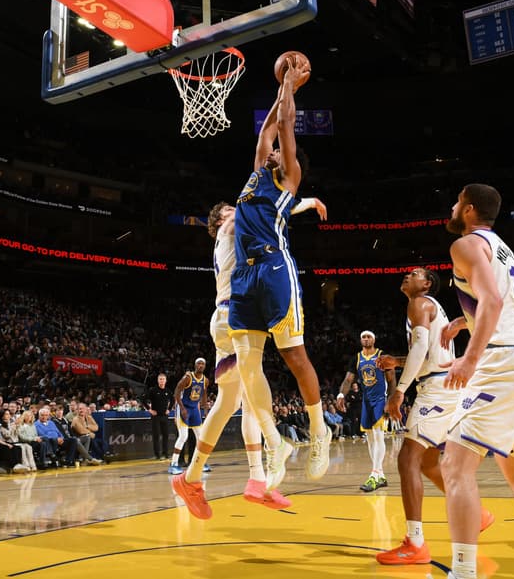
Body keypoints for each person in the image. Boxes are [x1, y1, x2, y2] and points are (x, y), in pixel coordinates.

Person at [172, 195, 324, 518]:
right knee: (252, 387)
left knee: (232, 402)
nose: (237, 210)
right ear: (219, 220)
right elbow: (265, 209)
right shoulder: (230, 224)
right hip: (232, 315)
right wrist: (306, 202)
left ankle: (234, 478)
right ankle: (272, 447)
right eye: (230, 208)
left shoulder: (232, 237)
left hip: (226, 316)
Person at [439, 184, 514, 579]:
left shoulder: (465, 245)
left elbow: (491, 300)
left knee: (455, 467)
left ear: (469, 209)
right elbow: (499, 299)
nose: (453, 207)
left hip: (503, 361)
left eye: (457, 201)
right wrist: (465, 321)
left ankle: (462, 573)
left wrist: (469, 360)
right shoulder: (501, 246)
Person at [228, 55, 330, 484]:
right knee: (246, 365)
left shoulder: (288, 176)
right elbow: (270, 127)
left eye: (276, 151)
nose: (270, 150)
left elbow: (285, 128)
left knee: (293, 356)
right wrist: (280, 91)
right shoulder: (255, 173)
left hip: (274, 267)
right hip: (244, 278)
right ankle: (276, 442)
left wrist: (290, 86)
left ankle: (319, 432)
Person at [374, 268, 494, 564]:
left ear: (426, 284)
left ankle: (415, 544)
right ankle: (476, 514)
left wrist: (399, 389)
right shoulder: (430, 307)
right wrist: (398, 361)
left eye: (414, 274)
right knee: (427, 462)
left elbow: (419, 349)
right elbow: (427, 354)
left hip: (437, 390)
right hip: (444, 384)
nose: (406, 276)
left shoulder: (419, 303)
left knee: (407, 460)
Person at [337, 331, 394, 492]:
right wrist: (341, 394)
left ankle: (374, 474)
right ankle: (380, 475)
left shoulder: (382, 356)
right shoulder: (356, 358)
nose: (366, 339)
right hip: (366, 401)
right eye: (363, 337)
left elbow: (391, 380)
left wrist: (390, 400)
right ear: (361, 340)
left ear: (374, 339)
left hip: (380, 400)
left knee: (378, 435)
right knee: (369, 437)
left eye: (369, 337)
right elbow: (348, 380)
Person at [168, 358, 210, 475]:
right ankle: (173, 464)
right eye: (199, 364)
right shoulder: (188, 378)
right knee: (183, 436)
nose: (201, 366)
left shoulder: (205, 380)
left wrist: (205, 410)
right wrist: (181, 408)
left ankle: (200, 463)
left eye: (203, 364)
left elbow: (204, 395)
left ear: (205, 366)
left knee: (201, 437)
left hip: (194, 409)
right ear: (195, 365)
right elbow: (176, 392)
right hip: (184, 407)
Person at [147, 373, 173, 461]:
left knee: (165, 435)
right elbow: (143, 399)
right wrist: (149, 410)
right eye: (160, 379)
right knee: (156, 436)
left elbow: (173, 400)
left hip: (165, 416)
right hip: (156, 416)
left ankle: (165, 454)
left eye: (163, 379)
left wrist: (169, 409)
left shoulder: (168, 391)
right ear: (158, 380)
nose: (162, 381)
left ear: (166, 380)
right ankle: (157, 455)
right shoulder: (153, 390)